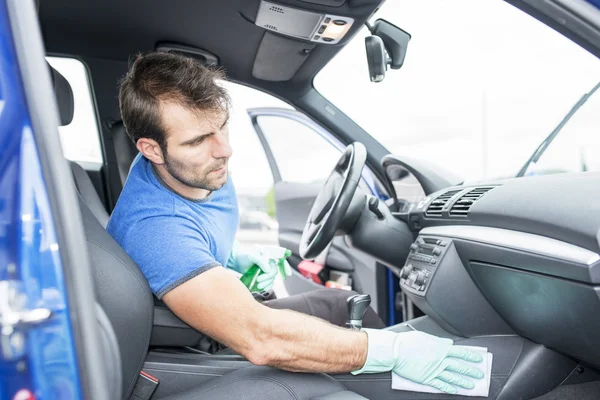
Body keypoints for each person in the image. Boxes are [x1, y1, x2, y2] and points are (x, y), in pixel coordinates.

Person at [107, 51, 484, 394]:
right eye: (198, 140)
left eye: (222, 126)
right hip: (199, 339)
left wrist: (233, 256)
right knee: (364, 348)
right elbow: (260, 338)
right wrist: (392, 351)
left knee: (343, 303)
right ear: (151, 149)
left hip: (212, 312)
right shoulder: (156, 229)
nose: (224, 149)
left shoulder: (197, 168)